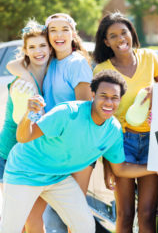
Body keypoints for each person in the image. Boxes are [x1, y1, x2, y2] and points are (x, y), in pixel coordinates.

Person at [0, 69, 158, 233]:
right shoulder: (68, 113)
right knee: (10, 228)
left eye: (114, 97)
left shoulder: (113, 129)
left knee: (84, 225)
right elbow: (24, 137)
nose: (108, 102)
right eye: (103, 96)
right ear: (93, 94)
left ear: (120, 100)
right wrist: (27, 114)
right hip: (25, 172)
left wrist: (155, 167)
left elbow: (120, 168)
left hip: (57, 178)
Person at [7, 13, 94, 232]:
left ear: (73, 33)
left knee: (75, 218)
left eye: (64, 29)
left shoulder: (77, 62)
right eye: (53, 30)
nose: (59, 34)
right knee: (33, 216)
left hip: (75, 148)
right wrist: (30, 82)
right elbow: (14, 63)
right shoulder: (52, 61)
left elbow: (84, 109)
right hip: (48, 149)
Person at [93, 12, 158, 232]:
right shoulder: (102, 70)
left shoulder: (149, 57)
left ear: (131, 33)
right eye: (113, 35)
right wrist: (108, 165)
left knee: (146, 214)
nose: (120, 39)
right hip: (120, 142)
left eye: (123, 32)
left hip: (153, 142)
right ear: (106, 42)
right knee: (124, 214)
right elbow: (102, 118)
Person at [1, 19, 51, 233]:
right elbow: (18, 118)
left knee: (33, 218)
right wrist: (29, 80)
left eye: (42, 45)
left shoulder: (54, 72)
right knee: (17, 221)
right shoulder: (21, 81)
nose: (38, 51)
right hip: (10, 153)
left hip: (39, 156)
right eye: (32, 47)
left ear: (50, 47)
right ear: (25, 51)